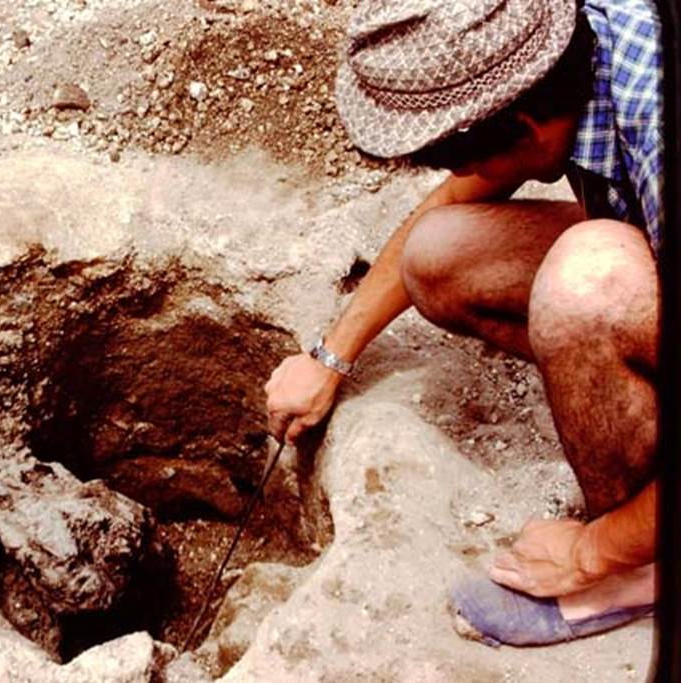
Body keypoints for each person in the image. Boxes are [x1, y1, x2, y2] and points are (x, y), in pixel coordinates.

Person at [263, 0, 662, 646]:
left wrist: (592, 552)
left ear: (524, 126)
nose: (465, 177)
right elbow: (449, 208)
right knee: (436, 255)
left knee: (588, 281)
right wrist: (329, 356)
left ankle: (640, 568)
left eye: (468, 161)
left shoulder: (659, 125)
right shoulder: (560, 47)